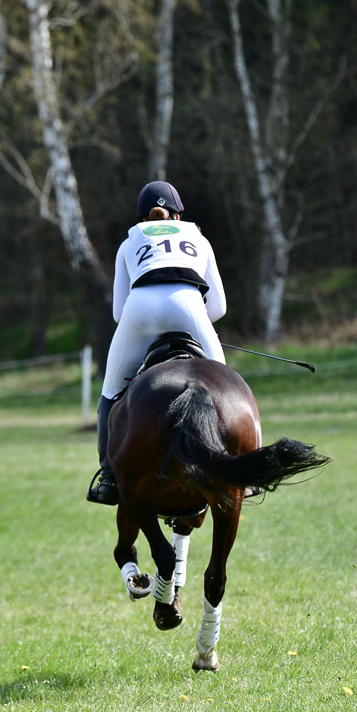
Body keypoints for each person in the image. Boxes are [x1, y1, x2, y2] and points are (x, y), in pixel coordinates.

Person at [87, 180, 227, 506]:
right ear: (178, 215)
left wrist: (151, 332)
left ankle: (107, 476)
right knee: (226, 384)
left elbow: (118, 312)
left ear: (141, 219)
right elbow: (219, 308)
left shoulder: (129, 243)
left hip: (140, 311)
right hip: (188, 306)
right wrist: (192, 324)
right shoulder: (199, 239)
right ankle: (239, 468)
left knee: (110, 391)